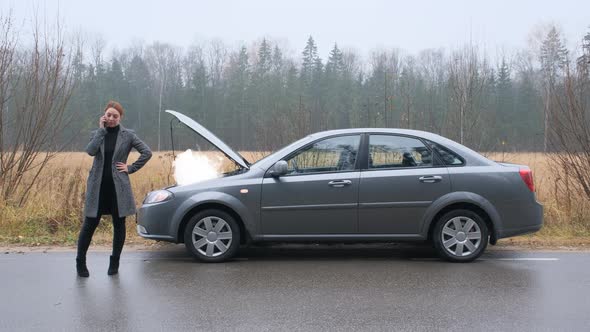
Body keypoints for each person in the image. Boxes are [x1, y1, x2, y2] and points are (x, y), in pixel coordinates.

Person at [76, 101, 152, 277]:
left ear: (120, 118)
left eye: (114, 116)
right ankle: (80, 262)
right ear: (104, 115)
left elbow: (147, 152)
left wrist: (130, 167)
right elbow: (91, 151)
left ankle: (114, 262)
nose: (111, 118)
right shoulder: (97, 134)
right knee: (89, 224)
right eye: (108, 115)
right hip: (98, 187)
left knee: (119, 225)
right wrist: (101, 130)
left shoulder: (128, 136)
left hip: (119, 189)